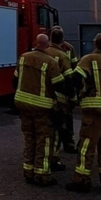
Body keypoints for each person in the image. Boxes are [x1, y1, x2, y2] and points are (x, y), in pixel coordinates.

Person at [66, 33, 101, 195]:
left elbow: (76, 79)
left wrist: (81, 93)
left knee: (87, 146)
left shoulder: (88, 59)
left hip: (95, 110)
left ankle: (81, 180)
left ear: (95, 44)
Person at [13, 33, 65, 186]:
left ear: (36, 42)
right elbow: (59, 86)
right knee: (44, 140)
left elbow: (15, 81)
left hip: (23, 105)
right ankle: (41, 175)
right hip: (42, 107)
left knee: (29, 138)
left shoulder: (23, 57)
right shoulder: (50, 62)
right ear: (47, 44)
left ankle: (28, 171)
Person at [45, 27, 77, 165]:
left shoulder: (44, 50)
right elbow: (70, 76)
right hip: (60, 94)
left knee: (61, 121)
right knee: (58, 124)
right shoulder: (64, 54)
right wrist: (73, 96)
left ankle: (68, 143)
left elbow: (74, 66)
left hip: (48, 92)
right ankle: (54, 155)